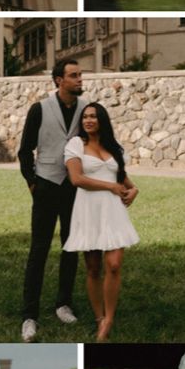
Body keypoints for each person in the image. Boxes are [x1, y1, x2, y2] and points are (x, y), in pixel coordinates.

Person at [18, 58, 87, 342]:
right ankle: (29, 316)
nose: (80, 79)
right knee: (39, 250)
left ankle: (63, 304)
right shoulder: (40, 109)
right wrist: (33, 183)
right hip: (45, 184)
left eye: (80, 75)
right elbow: (25, 150)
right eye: (74, 75)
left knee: (71, 248)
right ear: (59, 80)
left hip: (74, 188)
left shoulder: (87, 110)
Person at [64, 102, 139, 341]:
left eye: (93, 117)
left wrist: (133, 189)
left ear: (102, 120)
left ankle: (109, 320)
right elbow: (76, 179)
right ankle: (99, 318)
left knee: (114, 264)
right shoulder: (76, 144)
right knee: (94, 268)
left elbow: (120, 175)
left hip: (113, 210)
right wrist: (110, 187)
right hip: (88, 210)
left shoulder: (113, 147)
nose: (88, 120)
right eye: (85, 116)